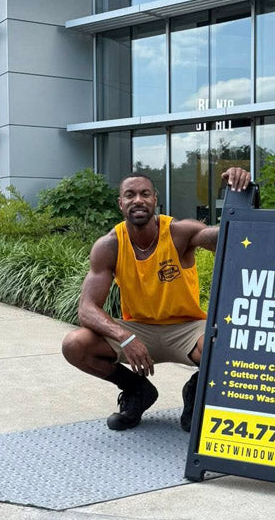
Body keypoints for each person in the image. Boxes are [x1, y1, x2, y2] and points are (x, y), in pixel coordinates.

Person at [62, 167, 252, 431]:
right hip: (138, 329)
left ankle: (196, 392)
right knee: (75, 345)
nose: (137, 200)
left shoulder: (178, 232)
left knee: (227, 346)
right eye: (130, 195)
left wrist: (238, 195)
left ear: (154, 200)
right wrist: (124, 337)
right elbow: (86, 309)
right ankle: (136, 390)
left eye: (144, 194)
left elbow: (224, 237)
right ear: (120, 203)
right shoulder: (110, 245)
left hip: (186, 328)